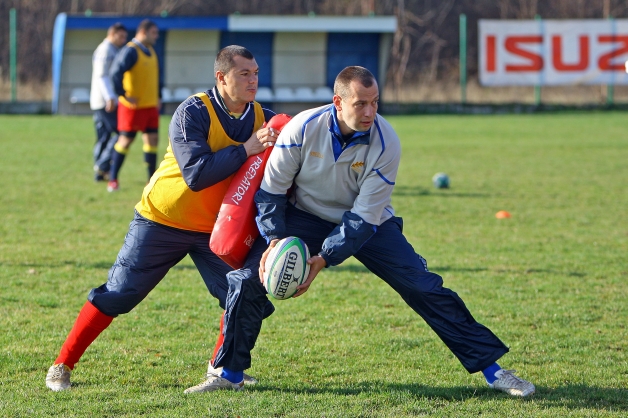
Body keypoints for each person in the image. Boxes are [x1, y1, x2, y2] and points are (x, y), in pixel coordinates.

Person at [184, 66, 536, 398]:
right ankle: (228, 374)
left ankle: (494, 371)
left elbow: (363, 217)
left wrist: (323, 258)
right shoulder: (303, 128)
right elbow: (272, 191)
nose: (370, 112)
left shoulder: (387, 142)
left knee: (422, 285)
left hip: (369, 225)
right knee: (247, 279)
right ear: (338, 103)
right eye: (361, 104)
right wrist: (274, 240)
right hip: (305, 215)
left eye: (375, 102)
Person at [45, 45, 279, 391]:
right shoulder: (193, 111)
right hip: (161, 219)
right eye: (244, 74)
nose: (253, 80)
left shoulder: (263, 118)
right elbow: (196, 174)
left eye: (256, 73)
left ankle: (221, 367)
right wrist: (246, 149)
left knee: (243, 296)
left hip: (213, 229)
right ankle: (61, 365)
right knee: (119, 293)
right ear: (221, 77)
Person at [107, 19, 162, 192]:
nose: (156, 36)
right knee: (125, 141)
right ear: (143, 32)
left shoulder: (151, 51)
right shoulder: (131, 50)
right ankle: (113, 179)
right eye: (154, 33)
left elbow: (155, 77)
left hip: (150, 105)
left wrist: (159, 96)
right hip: (132, 108)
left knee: (152, 140)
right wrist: (123, 95)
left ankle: (151, 180)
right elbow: (115, 73)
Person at [90, 23, 127, 182]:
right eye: (121, 36)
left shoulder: (111, 49)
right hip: (105, 101)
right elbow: (102, 75)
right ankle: (102, 165)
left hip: (102, 100)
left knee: (103, 137)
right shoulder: (105, 50)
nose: (123, 40)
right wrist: (110, 97)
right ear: (112, 34)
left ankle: (99, 172)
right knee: (121, 133)